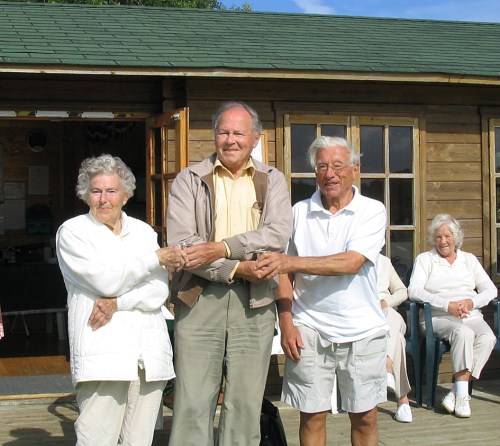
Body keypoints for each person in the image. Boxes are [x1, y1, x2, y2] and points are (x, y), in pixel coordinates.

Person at [166, 101, 293, 446]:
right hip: (199, 297)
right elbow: (184, 244)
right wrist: (238, 266)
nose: (230, 139)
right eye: (224, 132)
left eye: (239, 132)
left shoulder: (273, 180)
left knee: (245, 401)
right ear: (214, 136)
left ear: (255, 138)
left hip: (256, 300)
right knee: (192, 400)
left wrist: (221, 248)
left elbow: (277, 233)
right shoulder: (188, 179)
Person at [255, 136, 388, 446]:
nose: (330, 173)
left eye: (338, 166)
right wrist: (286, 323)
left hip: (363, 329)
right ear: (315, 173)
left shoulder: (372, 210)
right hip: (309, 328)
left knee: (365, 416)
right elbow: (282, 274)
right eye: (323, 166)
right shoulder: (298, 212)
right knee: (311, 415)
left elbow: (351, 262)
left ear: (355, 170)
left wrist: (290, 261)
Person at [56, 154, 185, 446]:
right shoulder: (74, 232)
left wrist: (118, 302)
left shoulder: (142, 231)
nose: (104, 199)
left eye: (111, 191)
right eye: (96, 191)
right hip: (103, 352)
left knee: (138, 442)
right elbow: (105, 278)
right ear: (85, 195)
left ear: (125, 195)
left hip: (148, 356)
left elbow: (157, 291)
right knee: (96, 440)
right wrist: (154, 259)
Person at [408, 213, 497, 418]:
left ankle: (457, 390)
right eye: (438, 237)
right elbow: (414, 291)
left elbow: (490, 290)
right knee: (463, 332)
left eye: (447, 236)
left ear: (456, 238)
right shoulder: (425, 260)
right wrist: (447, 305)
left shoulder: (469, 260)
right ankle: (463, 398)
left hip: (470, 315)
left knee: (488, 337)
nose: (443, 241)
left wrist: (470, 302)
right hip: (437, 318)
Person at [377, 253, 413, 423]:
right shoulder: (351, 260)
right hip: (367, 321)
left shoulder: (384, 262)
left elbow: (402, 291)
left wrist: (386, 302)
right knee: (398, 340)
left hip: (388, 316)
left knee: (391, 315)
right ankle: (403, 401)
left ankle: (387, 364)